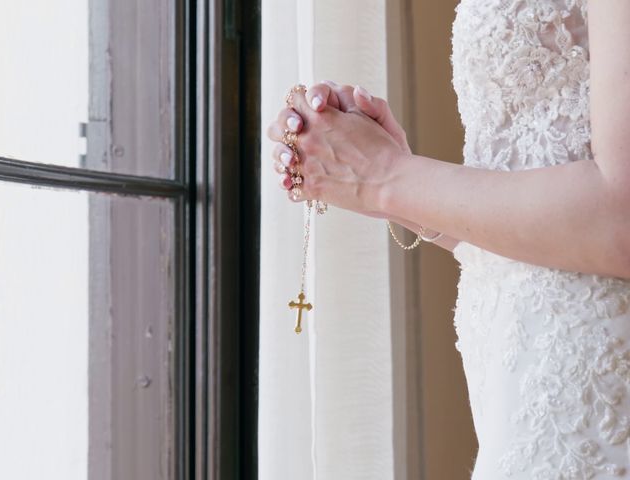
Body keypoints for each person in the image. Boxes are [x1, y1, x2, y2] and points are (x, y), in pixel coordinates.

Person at [268, 1, 630, 478]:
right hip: (517, 380)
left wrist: (387, 175)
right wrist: (386, 186)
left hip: (594, 391)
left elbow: (620, 220)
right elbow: (534, 250)